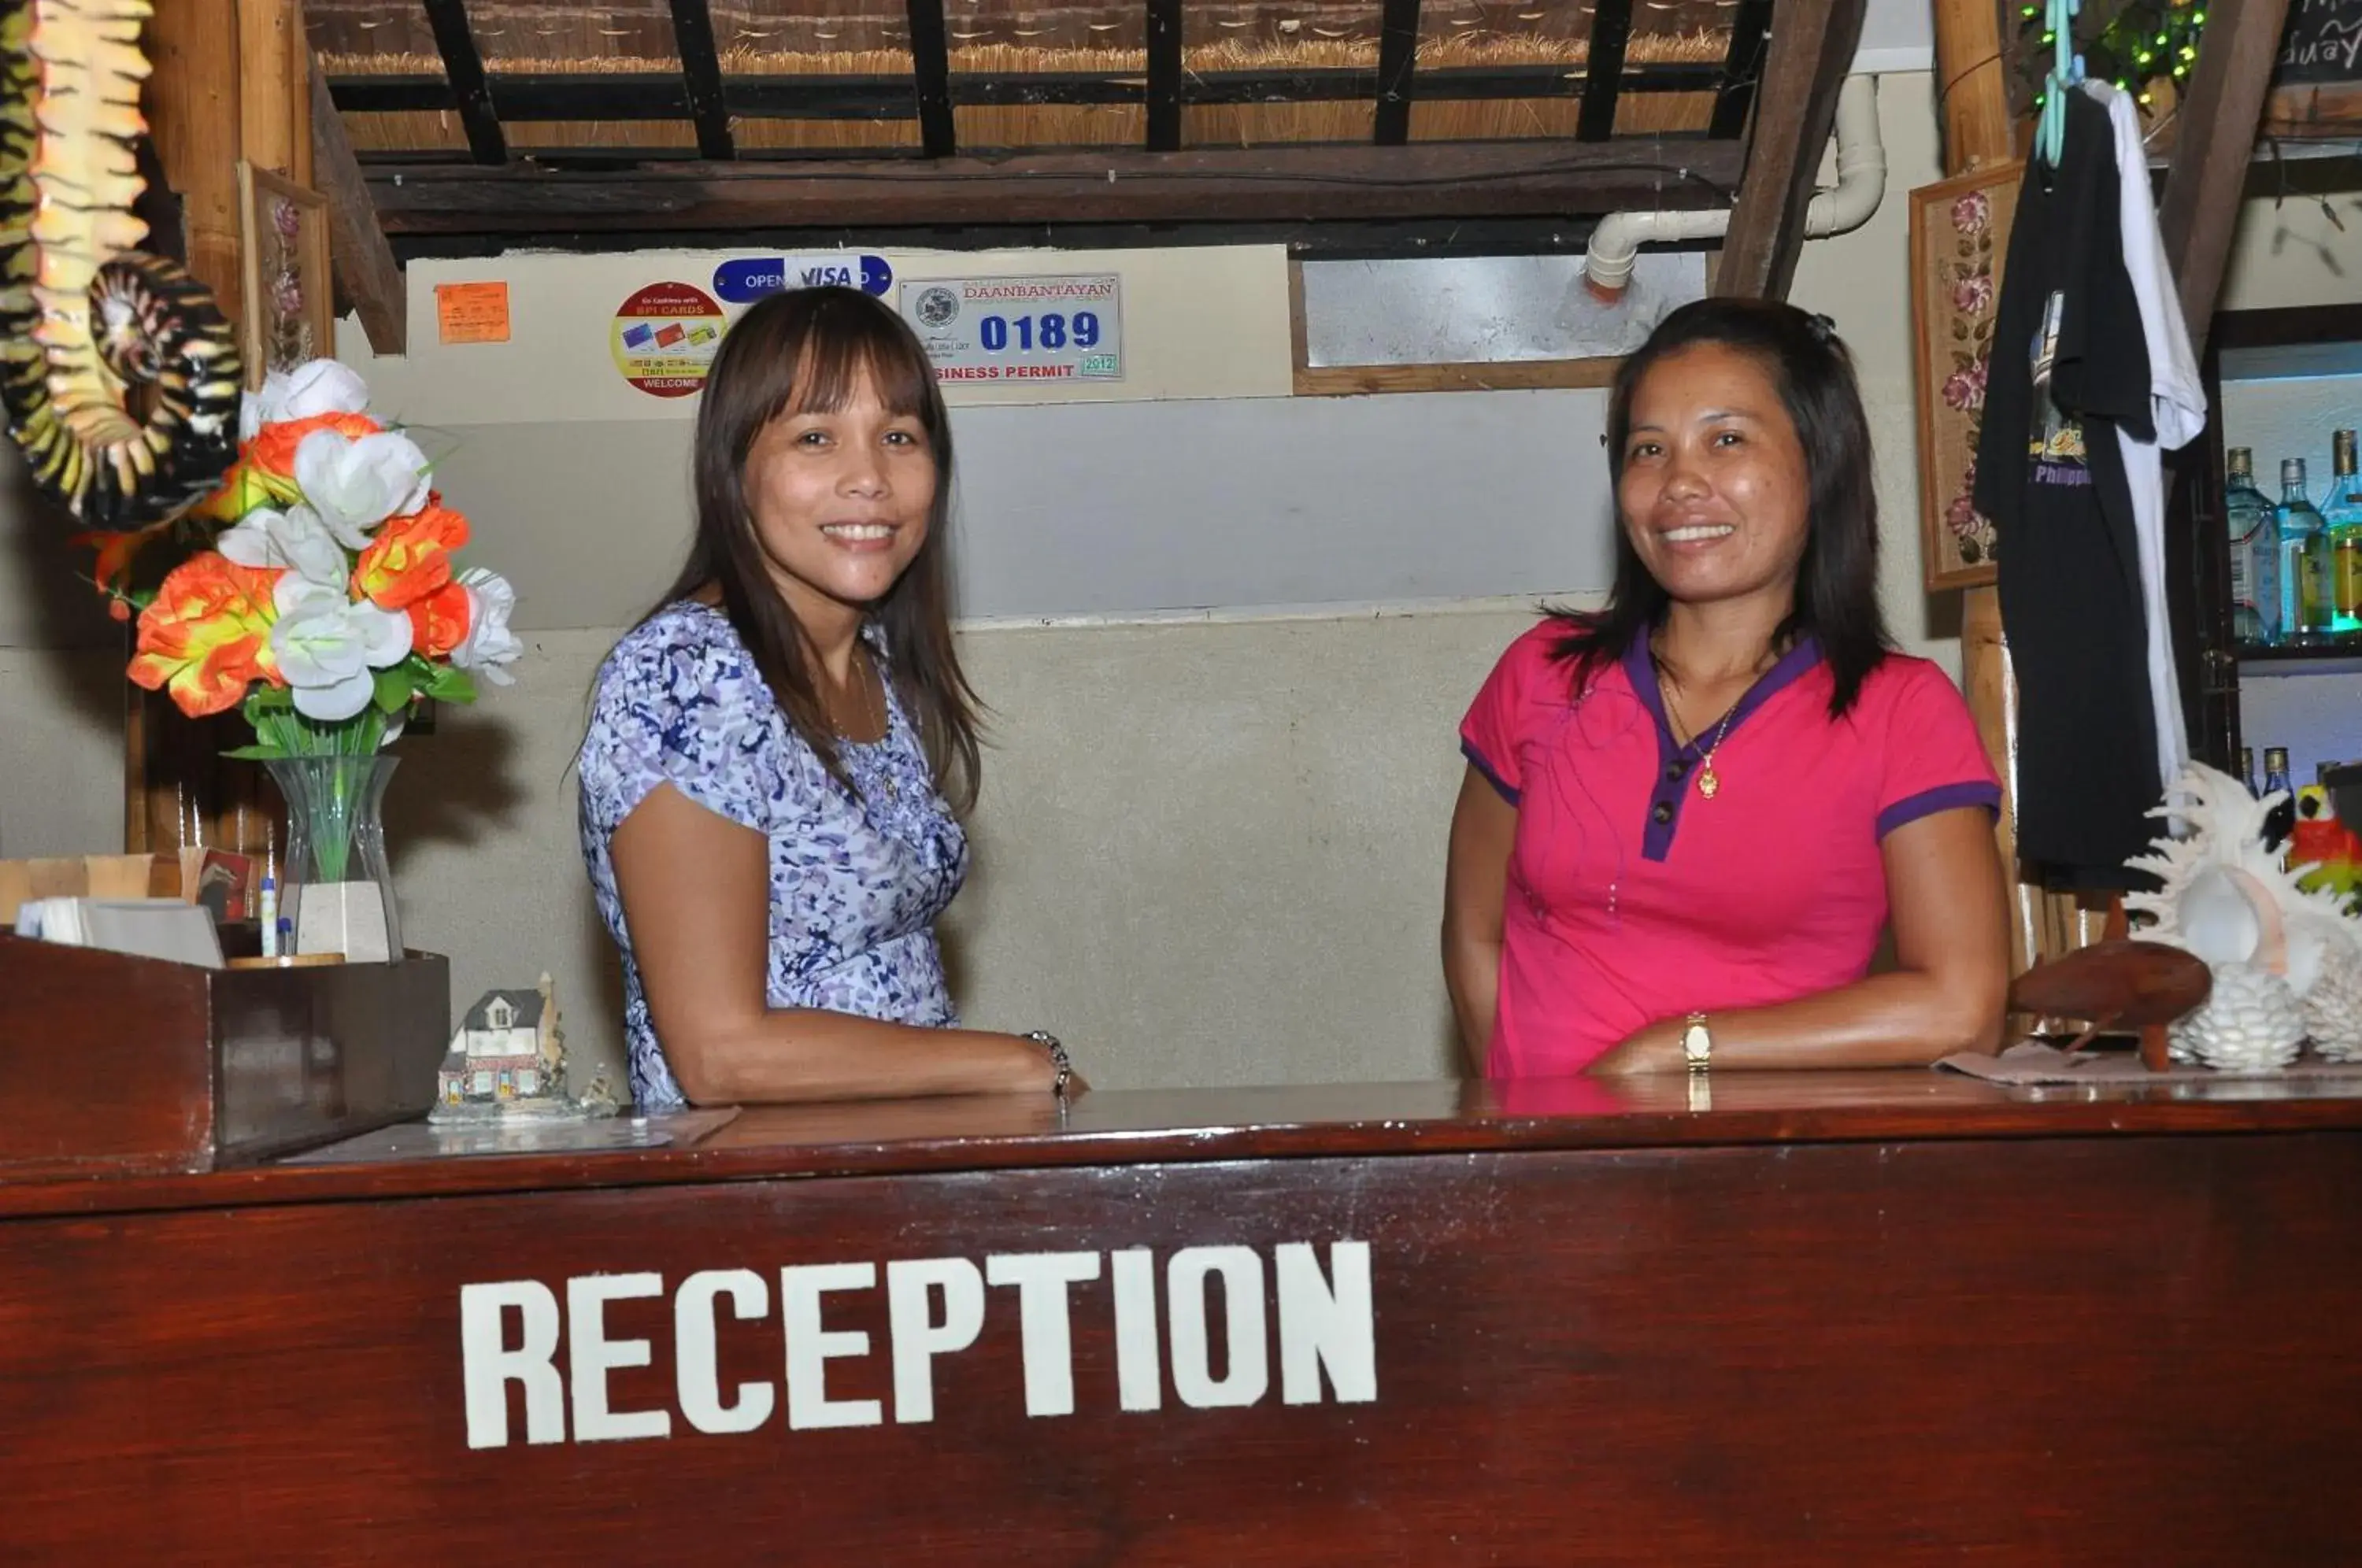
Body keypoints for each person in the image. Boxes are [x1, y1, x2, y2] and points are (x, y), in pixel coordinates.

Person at [1442, 298, 2008, 1078]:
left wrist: (1680, 1051)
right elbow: (1475, 936)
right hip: (1550, 1180)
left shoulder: (1900, 712)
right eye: (1648, 450)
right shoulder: (1542, 674)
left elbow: (1961, 1008)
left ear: (1819, 461)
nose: (1679, 484)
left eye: (1727, 440)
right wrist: (1523, 1125)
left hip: (1765, 1184)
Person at [576, 287, 1079, 1109]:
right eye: (815, 437)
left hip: (888, 1193)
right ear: (735, 468)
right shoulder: (690, 675)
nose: (869, 478)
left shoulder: (874, 664)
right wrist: (1022, 1062)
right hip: (763, 1206)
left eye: (898, 437)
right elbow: (721, 1054)